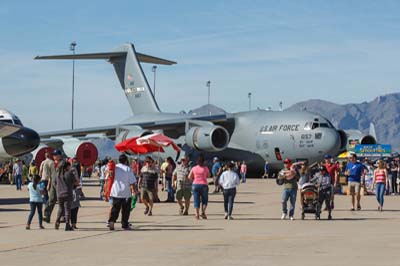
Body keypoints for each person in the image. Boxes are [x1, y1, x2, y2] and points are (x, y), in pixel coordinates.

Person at [108, 154, 139, 231]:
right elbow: (132, 182)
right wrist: (135, 191)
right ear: (126, 161)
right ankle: (124, 224)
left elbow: (109, 177)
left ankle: (112, 221)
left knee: (115, 208)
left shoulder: (114, 168)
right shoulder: (128, 169)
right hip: (125, 193)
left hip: (115, 192)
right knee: (125, 210)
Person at [55, 160, 79, 231]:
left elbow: (54, 183)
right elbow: (76, 182)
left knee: (60, 208)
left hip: (59, 194)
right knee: (67, 210)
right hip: (68, 193)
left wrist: (58, 188)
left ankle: (57, 221)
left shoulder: (57, 174)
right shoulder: (69, 174)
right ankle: (67, 225)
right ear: (66, 167)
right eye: (69, 166)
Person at [188, 154, 210, 220]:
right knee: (204, 200)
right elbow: (209, 175)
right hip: (204, 185)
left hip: (195, 185)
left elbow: (189, 177)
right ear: (203, 162)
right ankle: (203, 212)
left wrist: (194, 179)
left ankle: (197, 214)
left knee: (196, 200)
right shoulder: (205, 168)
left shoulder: (194, 168)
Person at [43, 150, 62, 223]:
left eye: (55, 154)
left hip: (61, 185)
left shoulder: (63, 164)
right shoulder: (52, 164)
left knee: (61, 202)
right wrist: (49, 184)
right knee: (51, 200)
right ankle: (47, 216)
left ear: (59, 155)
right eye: (53, 155)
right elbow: (51, 176)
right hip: (53, 185)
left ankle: (62, 217)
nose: (54, 156)